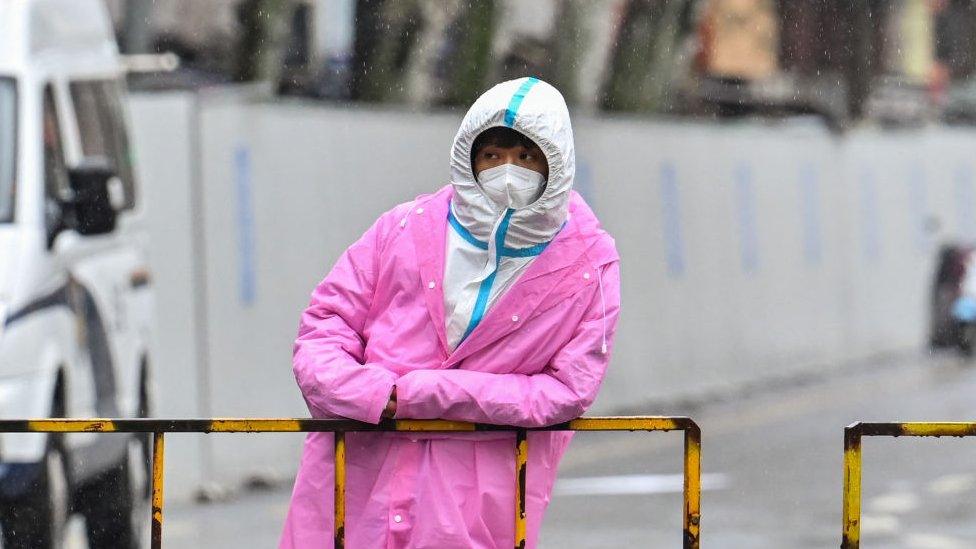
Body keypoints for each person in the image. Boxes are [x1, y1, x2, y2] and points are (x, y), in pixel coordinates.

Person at [280, 77, 621, 548]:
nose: (507, 171)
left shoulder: (588, 265)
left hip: (470, 510)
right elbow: (325, 328)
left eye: (525, 158)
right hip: (352, 489)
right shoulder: (400, 228)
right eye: (493, 155)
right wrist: (373, 395)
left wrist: (427, 394)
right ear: (469, 157)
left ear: (556, 163)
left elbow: (569, 389)